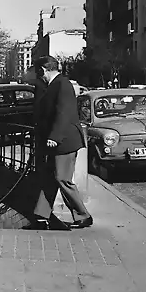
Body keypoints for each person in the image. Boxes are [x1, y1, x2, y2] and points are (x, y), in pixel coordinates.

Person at [31, 55, 93, 230]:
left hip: (64, 141)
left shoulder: (62, 84)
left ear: (43, 70)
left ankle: (83, 215)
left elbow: (64, 113)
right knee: (51, 177)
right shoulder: (54, 85)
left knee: (62, 178)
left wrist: (54, 137)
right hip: (57, 140)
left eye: (38, 72)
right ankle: (41, 214)